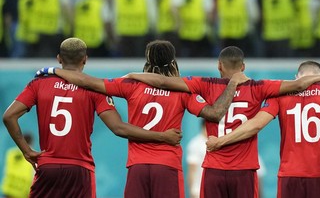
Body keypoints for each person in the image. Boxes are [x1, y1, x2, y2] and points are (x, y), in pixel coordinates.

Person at [35, 40, 248, 198]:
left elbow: (89, 82)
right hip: (167, 167)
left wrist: (53, 70)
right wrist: (232, 84)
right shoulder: (183, 91)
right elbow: (214, 113)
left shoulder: (131, 84)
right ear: (173, 61)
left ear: (147, 60)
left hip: (136, 166)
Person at [126, 46, 320, 198]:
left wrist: (132, 75)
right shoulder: (260, 87)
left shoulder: (204, 84)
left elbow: (163, 81)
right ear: (243, 67)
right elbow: (297, 85)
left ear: (219, 65)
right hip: (244, 169)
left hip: (214, 168)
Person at [2, 38, 181, 198]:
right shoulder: (94, 89)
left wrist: (27, 151)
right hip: (80, 169)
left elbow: (9, 116)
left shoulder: (39, 83)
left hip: (48, 165)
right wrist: (162, 136)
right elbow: (118, 128)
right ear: (85, 59)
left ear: (59, 58)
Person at [205, 60, 320, 198]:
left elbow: (256, 124)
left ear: (296, 77)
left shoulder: (281, 93)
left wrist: (222, 140)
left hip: (289, 175)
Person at [1, 133, 34, 198]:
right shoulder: (34, 157)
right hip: (22, 192)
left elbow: (6, 170)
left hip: (9, 190)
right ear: (32, 143)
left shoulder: (11, 153)